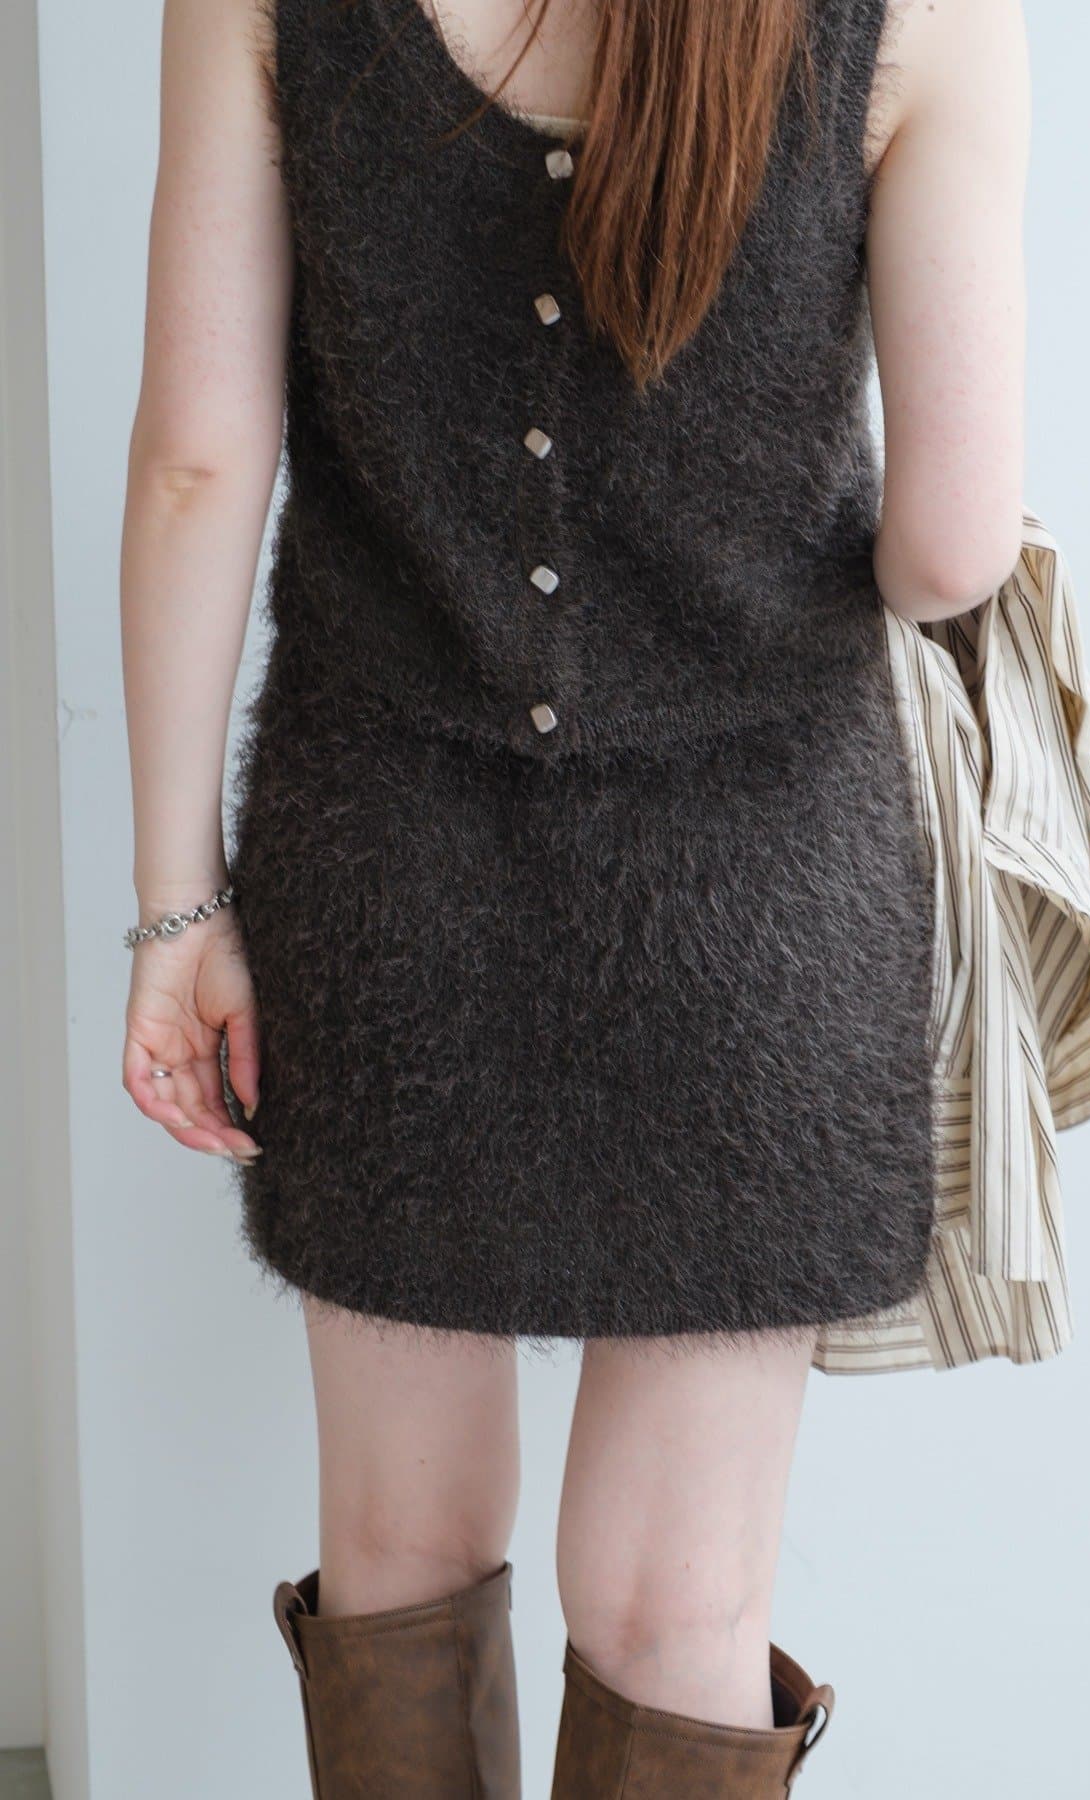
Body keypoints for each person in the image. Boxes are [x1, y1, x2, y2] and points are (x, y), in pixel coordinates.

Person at [119, 0, 1029, 1790]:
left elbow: (196, 464)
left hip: (382, 871)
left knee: (399, 1547)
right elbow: (952, 547)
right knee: (678, 1609)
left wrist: (174, 911)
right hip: (764, 902)